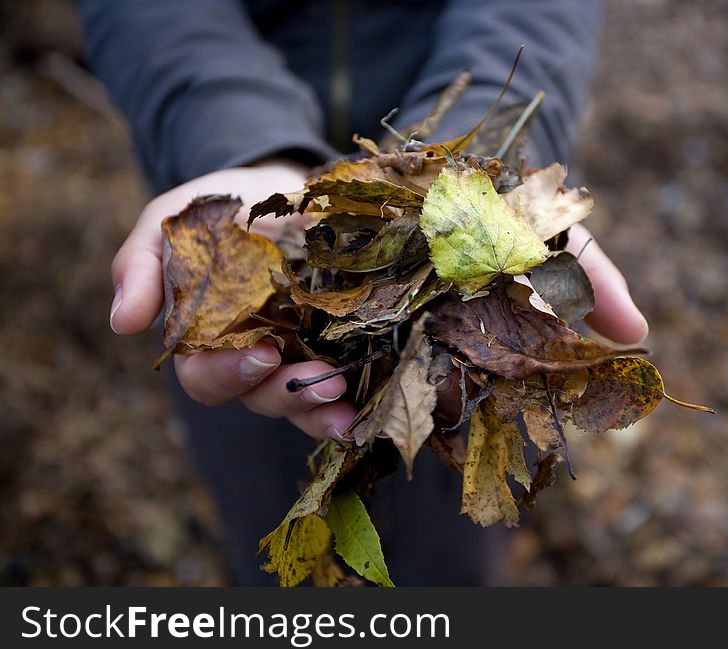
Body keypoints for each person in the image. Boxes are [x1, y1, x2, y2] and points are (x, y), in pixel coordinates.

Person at [76, 0, 648, 585]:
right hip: (235, 193)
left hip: (459, 208)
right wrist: (236, 138)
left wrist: (469, 164)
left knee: (456, 524)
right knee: (275, 523)